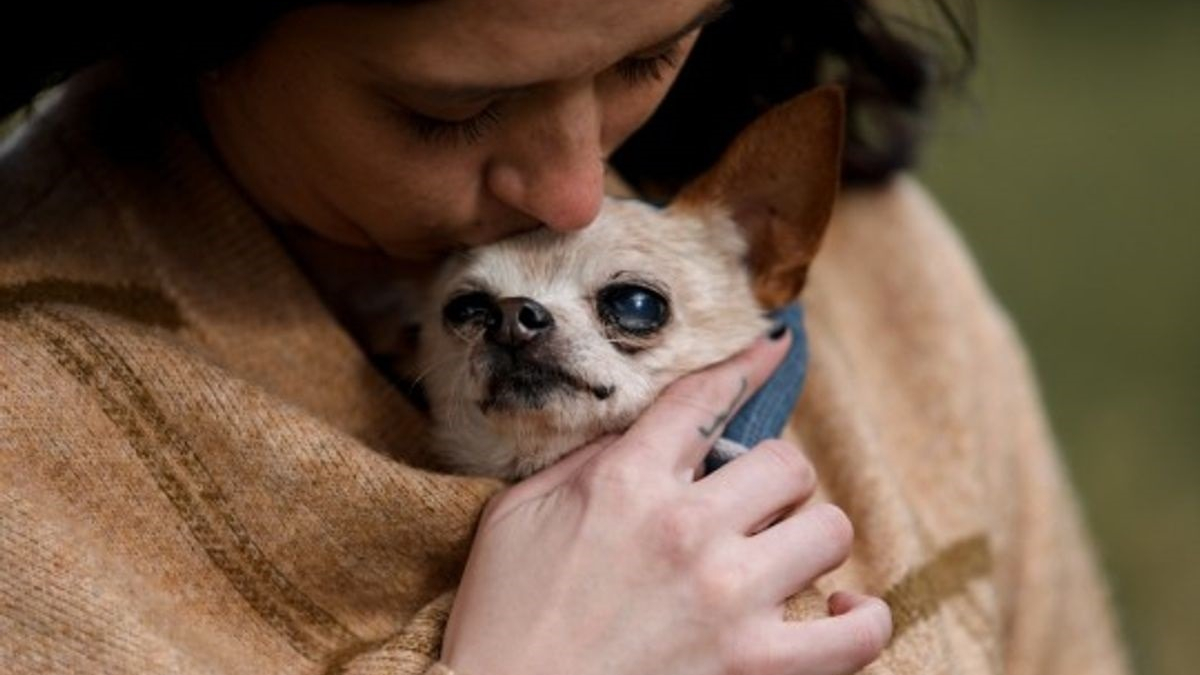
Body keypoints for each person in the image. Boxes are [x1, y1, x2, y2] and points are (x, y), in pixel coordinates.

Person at [0, 1, 1128, 674]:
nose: (573, 187)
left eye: (648, 56)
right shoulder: (33, 439)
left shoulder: (882, 261)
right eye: (451, 110)